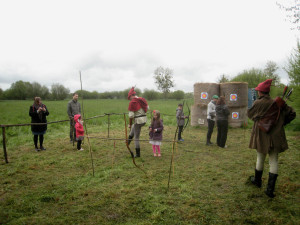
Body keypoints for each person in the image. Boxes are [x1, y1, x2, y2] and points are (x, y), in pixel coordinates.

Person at [248, 79, 296, 198]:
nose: (258, 92)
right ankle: (270, 190)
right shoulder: (279, 103)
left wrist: (259, 117)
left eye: (258, 90)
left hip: (261, 135)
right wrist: (281, 122)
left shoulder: (258, 103)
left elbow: (250, 115)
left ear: (261, 92)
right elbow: (292, 114)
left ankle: (257, 181)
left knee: (260, 158)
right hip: (276, 136)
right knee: (273, 160)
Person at [127, 87, 149, 158]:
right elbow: (147, 108)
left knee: (136, 137)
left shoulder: (132, 102)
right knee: (134, 127)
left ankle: (138, 154)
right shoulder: (141, 99)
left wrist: (129, 124)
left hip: (138, 121)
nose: (129, 99)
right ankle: (128, 143)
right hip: (144, 119)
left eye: (129, 97)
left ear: (131, 96)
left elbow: (131, 116)